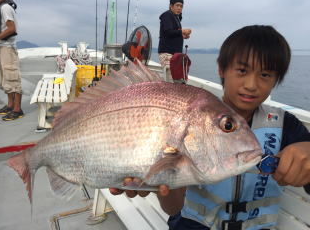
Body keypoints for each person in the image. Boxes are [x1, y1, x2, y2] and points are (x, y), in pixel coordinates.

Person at [110, 25, 310, 230]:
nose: (251, 84)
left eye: (265, 75)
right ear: (222, 69)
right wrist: (161, 180)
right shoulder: (194, 116)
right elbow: (173, 208)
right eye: (242, 70)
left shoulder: (285, 125)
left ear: (276, 80)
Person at [0, 0, 23, 121]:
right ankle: (10, 105)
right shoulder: (1, 7)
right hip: (2, 48)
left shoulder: (5, 8)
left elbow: (11, 29)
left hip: (7, 48)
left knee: (12, 78)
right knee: (5, 78)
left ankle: (17, 109)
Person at [158, 0, 192, 83]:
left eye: (181, 6)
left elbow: (172, 33)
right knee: (171, 81)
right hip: (167, 53)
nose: (179, 8)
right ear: (171, 6)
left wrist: (182, 35)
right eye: (177, 5)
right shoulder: (167, 15)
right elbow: (168, 31)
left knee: (176, 80)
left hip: (174, 55)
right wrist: (182, 31)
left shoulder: (175, 18)